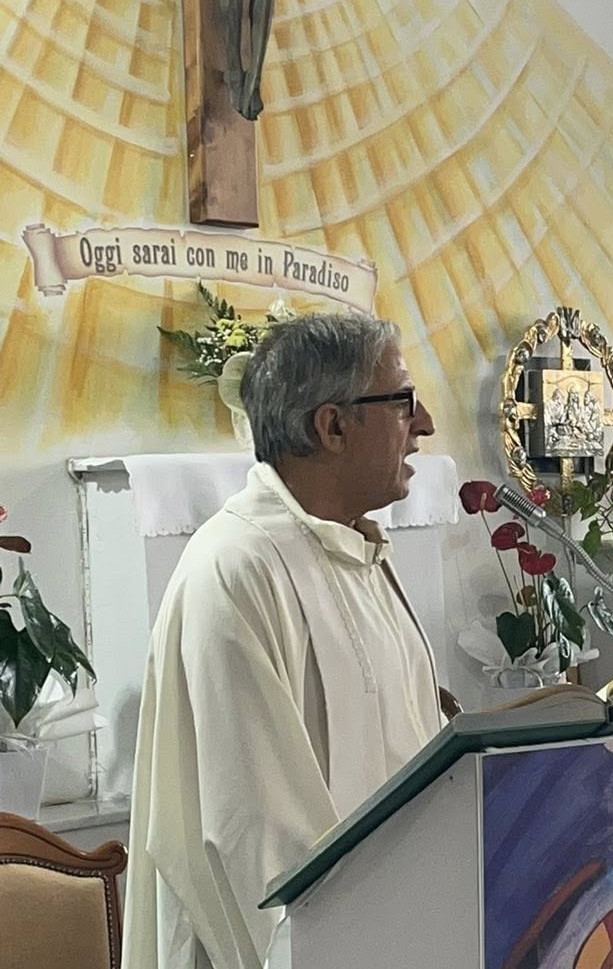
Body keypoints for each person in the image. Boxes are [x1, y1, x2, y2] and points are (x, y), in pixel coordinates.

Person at [123, 313, 446, 969]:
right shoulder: (236, 571)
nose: (425, 426)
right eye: (403, 401)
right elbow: (253, 842)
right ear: (332, 426)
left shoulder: (361, 554)